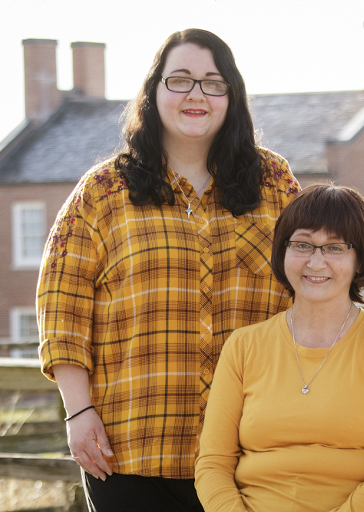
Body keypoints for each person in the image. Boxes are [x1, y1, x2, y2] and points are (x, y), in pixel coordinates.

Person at [37, 28, 299, 512]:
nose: (196, 94)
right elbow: (62, 307)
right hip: (130, 451)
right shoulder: (102, 193)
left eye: (212, 82)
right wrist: (79, 412)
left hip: (250, 451)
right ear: (153, 92)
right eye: (179, 80)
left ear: (231, 97)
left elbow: (311, 285)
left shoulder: (275, 184)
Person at [194, 184, 364, 512]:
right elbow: (213, 465)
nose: (316, 262)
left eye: (335, 248)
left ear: (359, 259)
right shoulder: (243, 347)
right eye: (302, 244)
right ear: (283, 252)